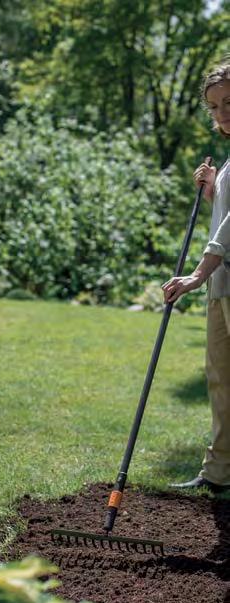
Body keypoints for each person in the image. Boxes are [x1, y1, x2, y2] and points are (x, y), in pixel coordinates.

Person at [163, 58, 230, 493]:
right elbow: (223, 218)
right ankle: (220, 471)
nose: (223, 112)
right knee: (221, 379)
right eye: (215, 106)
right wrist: (212, 191)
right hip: (223, 287)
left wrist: (196, 274)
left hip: (219, 279)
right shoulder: (228, 162)